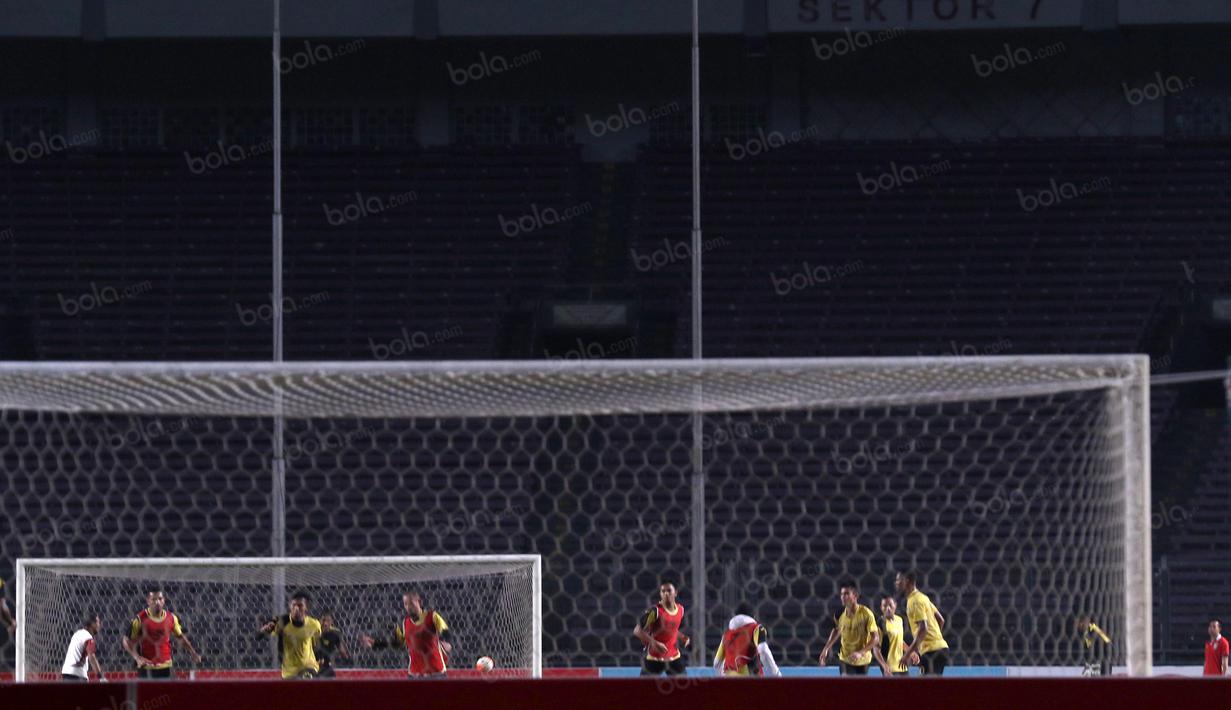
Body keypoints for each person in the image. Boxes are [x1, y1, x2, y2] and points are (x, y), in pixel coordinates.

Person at [362, 590, 452, 678]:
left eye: (411, 604)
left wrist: (447, 642)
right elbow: (399, 643)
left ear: (419, 602)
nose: (408, 607)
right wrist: (375, 643)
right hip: (414, 674)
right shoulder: (405, 623)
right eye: (406, 604)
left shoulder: (432, 616)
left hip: (435, 672)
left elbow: (445, 630)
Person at [123, 589, 202, 679]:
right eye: (153, 599)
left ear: (164, 601)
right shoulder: (140, 619)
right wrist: (137, 658)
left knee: (168, 693)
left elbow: (180, 638)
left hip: (166, 667)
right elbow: (126, 641)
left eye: (160, 599)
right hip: (146, 668)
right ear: (148, 601)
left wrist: (192, 652)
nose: (157, 602)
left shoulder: (171, 618)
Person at [818, 580, 880, 675]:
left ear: (855, 595)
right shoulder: (839, 614)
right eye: (842, 594)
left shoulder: (867, 614)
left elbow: (875, 638)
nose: (843, 597)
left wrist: (860, 653)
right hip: (845, 658)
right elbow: (836, 630)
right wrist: (826, 648)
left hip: (863, 660)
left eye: (846, 594)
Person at [895, 570, 949, 675]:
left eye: (898, 580)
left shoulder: (914, 601)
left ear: (907, 581)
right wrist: (935, 638)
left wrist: (907, 655)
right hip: (938, 649)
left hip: (932, 652)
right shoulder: (923, 597)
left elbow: (923, 629)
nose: (896, 583)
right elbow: (940, 619)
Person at [258, 590, 322, 679]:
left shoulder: (314, 625)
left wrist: (319, 658)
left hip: (309, 666)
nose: (296, 608)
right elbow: (259, 636)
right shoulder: (282, 622)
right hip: (289, 671)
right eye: (294, 605)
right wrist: (264, 630)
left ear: (306, 607)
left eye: (300, 605)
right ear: (290, 606)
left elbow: (316, 643)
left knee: (306, 678)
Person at [633, 580, 691, 676]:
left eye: (669, 591)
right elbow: (637, 630)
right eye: (663, 591)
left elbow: (671, 630)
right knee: (643, 690)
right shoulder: (655, 611)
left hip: (674, 658)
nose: (666, 594)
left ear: (675, 592)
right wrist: (654, 643)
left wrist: (682, 637)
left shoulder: (681, 610)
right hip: (654, 658)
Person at [712, 605, 781, 677]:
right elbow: (763, 650)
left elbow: (716, 662)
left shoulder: (726, 634)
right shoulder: (756, 628)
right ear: (753, 617)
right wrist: (776, 673)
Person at [875, 595, 913, 677]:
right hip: (889, 669)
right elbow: (876, 649)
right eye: (885, 606)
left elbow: (899, 641)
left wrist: (911, 652)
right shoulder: (880, 623)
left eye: (890, 605)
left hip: (902, 666)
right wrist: (884, 666)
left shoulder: (899, 620)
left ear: (895, 605)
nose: (888, 608)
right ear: (881, 607)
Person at [61, 612, 106, 682]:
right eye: (98, 622)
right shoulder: (88, 637)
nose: (99, 625)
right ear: (92, 624)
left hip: (66, 674)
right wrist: (101, 677)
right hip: (77, 676)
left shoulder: (77, 634)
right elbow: (92, 657)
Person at [317, 611, 351, 678]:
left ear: (332, 622)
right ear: (319, 620)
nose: (325, 623)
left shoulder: (335, 633)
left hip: (327, 666)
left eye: (328, 621)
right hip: (313, 664)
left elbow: (341, 649)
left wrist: (347, 658)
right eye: (323, 620)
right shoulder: (314, 630)